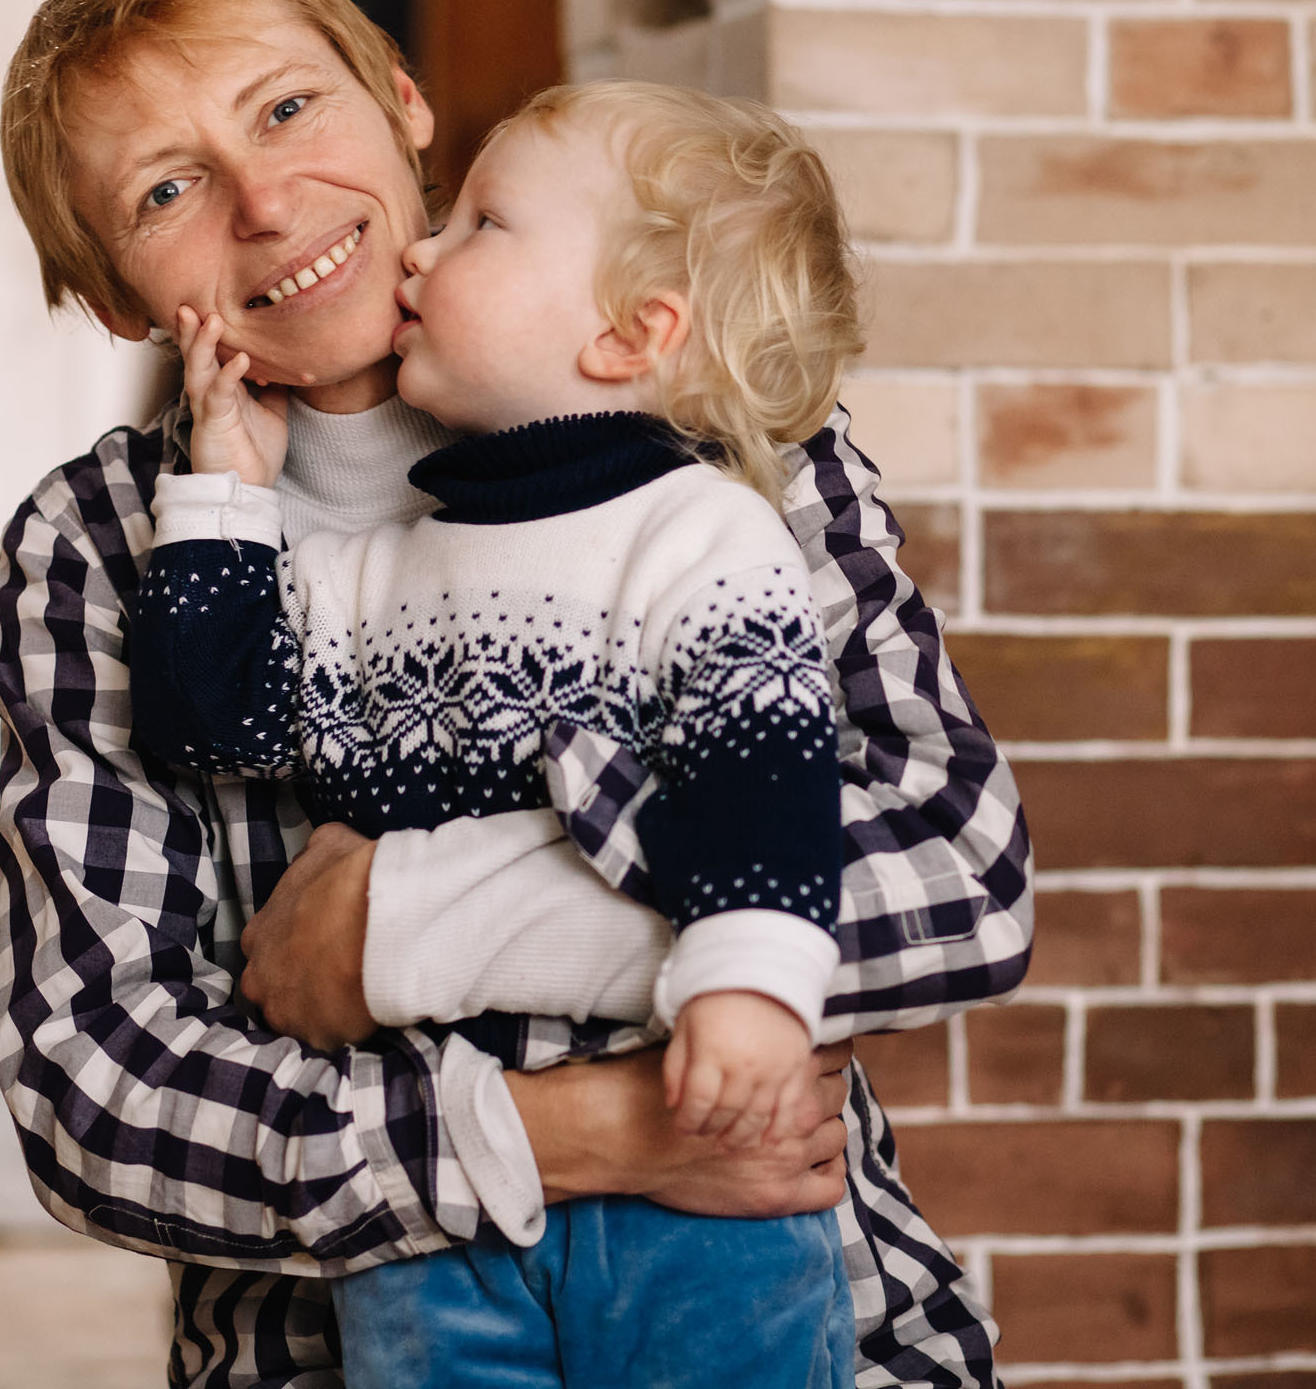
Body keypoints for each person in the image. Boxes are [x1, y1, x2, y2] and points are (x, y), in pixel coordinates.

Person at [0, 0, 1033, 1389]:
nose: (269, 204)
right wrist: (586, 1131)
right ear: (113, 299)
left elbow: (959, 876)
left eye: (288, 107)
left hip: (813, 1320)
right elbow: (98, 1093)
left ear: (403, 100)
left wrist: (397, 923)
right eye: (167, 189)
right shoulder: (100, 549)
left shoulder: (716, 421)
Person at [130, 81, 868, 1386]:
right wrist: (225, 499)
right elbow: (215, 728)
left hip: (702, 1196)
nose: (422, 248)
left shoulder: (698, 534)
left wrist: (750, 992)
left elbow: (759, 776)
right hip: (440, 1220)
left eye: (483, 225)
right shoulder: (384, 567)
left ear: (630, 333)